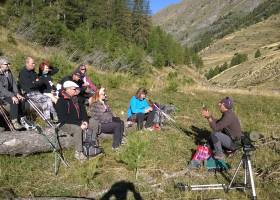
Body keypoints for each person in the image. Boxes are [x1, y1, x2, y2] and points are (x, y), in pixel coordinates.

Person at [55, 81, 89, 161]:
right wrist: (79, 123)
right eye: (74, 89)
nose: (76, 90)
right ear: (68, 89)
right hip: (64, 123)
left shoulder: (77, 100)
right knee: (77, 129)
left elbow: (84, 112)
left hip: (77, 122)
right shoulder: (61, 100)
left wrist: (85, 121)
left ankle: (92, 147)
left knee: (90, 124)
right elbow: (63, 118)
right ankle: (79, 152)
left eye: (76, 89)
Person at [18, 57, 57, 122]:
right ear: (27, 63)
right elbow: (31, 85)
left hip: (36, 91)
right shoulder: (23, 73)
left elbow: (38, 81)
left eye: (34, 63)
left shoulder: (33, 72)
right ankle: (50, 117)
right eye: (32, 63)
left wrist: (37, 82)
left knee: (47, 99)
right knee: (46, 99)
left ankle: (50, 117)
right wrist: (37, 82)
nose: (34, 65)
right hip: (29, 93)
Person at [0, 57, 24, 129]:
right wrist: (12, 95)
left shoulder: (8, 72)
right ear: (0, 65)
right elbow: (1, 89)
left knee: (21, 99)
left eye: (9, 64)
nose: (8, 65)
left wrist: (17, 93)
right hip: (1, 95)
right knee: (14, 101)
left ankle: (22, 119)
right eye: (6, 64)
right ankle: (14, 122)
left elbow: (13, 83)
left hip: (9, 93)